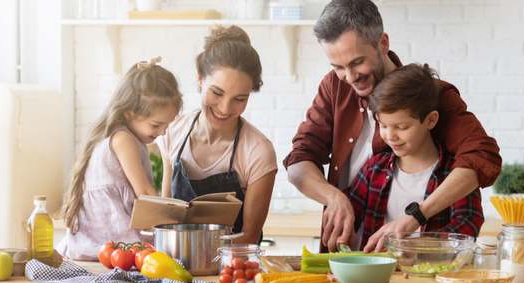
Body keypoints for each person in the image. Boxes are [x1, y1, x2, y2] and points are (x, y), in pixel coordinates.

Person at [283, 0, 501, 253]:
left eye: (357, 62)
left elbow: (481, 156)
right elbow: (299, 160)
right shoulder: (335, 86)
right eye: (338, 67)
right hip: (355, 258)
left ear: (383, 43)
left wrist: (415, 219)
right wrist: (333, 197)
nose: (350, 77)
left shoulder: (431, 95)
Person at [158, 25, 278, 245]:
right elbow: (166, 220)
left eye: (239, 99)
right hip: (175, 269)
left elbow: (249, 238)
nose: (224, 108)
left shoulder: (258, 151)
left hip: (231, 271)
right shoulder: (172, 132)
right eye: (217, 93)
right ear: (200, 79)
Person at [346, 63, 484, 253]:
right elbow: (348, 216)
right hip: (376, 277)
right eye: (383, 125)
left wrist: (411, 246)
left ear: (431, 120)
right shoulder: (373, 169)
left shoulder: (455, 173)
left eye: (401, 127)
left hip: (430, 277)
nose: (390, 136)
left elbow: (467, 226)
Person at [56, 57, 183, 260]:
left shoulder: (119, 134)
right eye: (156, 125)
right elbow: (143, 192)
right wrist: (170, 222)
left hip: (99, 240)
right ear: (129, 113)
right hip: (112, 238)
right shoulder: (123, 138)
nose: (163, 132)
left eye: (166, 125)